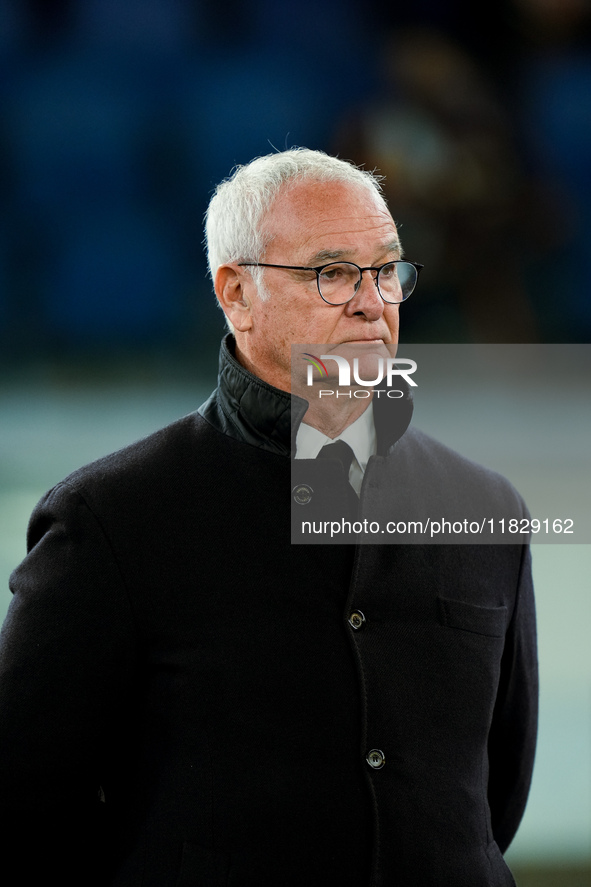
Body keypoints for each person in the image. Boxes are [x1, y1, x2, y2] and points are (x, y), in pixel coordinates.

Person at [0, 149, 537, 887]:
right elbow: (26, 802)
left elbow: (487, 803)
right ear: (236, 293)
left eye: (386, 270)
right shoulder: (109, 518)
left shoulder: (487, 509)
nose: (370, 300)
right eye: (331, 272)